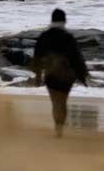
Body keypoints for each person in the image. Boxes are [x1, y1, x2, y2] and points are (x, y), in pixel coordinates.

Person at [32, 8, 89, 137]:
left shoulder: (44, 36)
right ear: (64, 20)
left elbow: (37, 56)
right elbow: (76, 58)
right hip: (66, 76)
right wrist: (82, 76)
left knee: (55, 102)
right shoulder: (68, 37)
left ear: (52, 20)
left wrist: (37, 75)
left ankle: (57, 126)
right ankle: (60, 127)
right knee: (62, 102)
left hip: (51, 74)